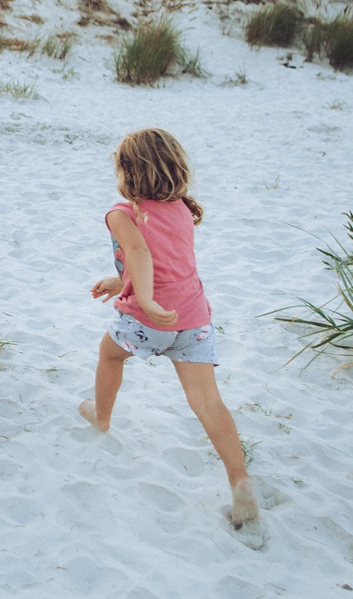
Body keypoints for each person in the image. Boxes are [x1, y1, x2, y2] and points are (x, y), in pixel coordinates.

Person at [80, 127, 258, 527]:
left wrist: (142, 299)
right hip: (194, 319)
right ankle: (239, 479)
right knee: (209, 403)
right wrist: (118, 282)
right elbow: (163, 261)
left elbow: (141, 252)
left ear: (127, 171)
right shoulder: (181, 208)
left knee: (110, 355)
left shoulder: (120, 213)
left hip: (151, 317)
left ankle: (102, 416)